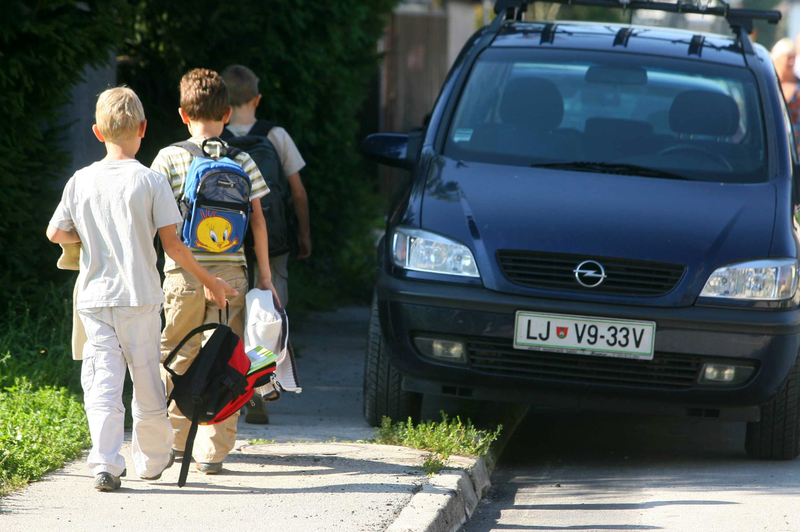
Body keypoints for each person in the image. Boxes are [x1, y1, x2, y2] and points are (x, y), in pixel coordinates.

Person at [46, 87, 237, 491]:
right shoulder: (150, 180)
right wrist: (210, 282)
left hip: (95, 299)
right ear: (144, 129)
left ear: (98, 132)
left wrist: (86, 238)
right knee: (147, 379)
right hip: (141, 297)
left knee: (102, 382)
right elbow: (174, 245)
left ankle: (105, 464)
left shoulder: (80, 180)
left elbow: (55, 231)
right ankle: (151, 463)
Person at [151, 68, 278, 475]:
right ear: (227, 113)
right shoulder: (243, 159)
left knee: (176, 355)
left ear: (183, 114)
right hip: (233, 276)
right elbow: (258, 220)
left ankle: (168, 443)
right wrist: (266, 277)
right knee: (227, 360)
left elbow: (153, 219)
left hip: (184, 276)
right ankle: (213, 453)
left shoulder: (169, 157)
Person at [221, 64, 311, 425]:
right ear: (257, 99)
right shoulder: (276, 135)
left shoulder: (216, 137)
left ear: (221, 103)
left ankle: (234, 386)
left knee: (235, 314)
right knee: (269, 316)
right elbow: (298, 191)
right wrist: (303, 233)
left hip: (226, 244)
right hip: (272, 240)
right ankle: (261, 384)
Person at [772, 38, 800, 152]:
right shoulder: (770, 85)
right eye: (788, 58)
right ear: (778, 59)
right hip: (773, 145)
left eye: (794, 58)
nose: (792, 62)